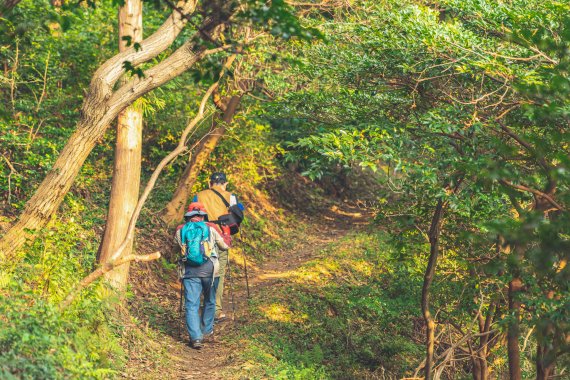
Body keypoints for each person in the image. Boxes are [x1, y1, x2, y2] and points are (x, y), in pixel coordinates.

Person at [175, 202, 230, 349]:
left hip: (189, 271)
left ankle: (196, 338)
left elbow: (179, 247)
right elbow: (224, 246)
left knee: (191, 305)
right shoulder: (211, 228)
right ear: (203, 215)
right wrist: (226, 233)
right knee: (210, 300)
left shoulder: (180, 230)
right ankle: (206, 331)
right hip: (210, 271)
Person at [193, 172, 240, 322]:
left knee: (202, 271)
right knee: (219, 272)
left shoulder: (198, 195)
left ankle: (203, 305)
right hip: (222, 237)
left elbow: (192, 215)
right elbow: (239, 213)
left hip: (203, 238)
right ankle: (215, 310)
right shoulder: (230, 196)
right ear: (225, 183)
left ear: (210, 183)